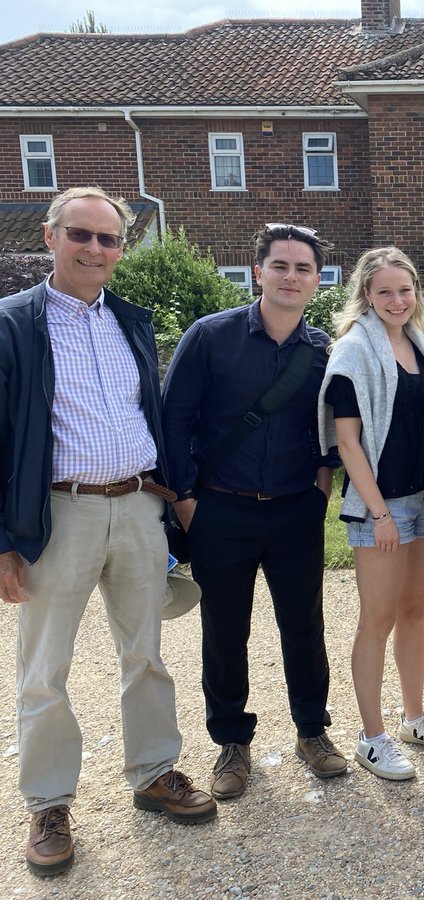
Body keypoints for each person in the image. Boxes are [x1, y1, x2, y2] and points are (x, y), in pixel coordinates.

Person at [0, 187, 215, 876]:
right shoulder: (13, 325)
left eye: (108, 239)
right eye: (81, 235)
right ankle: (49, 803)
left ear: (122, 248)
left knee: (146, 654)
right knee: (45, 668)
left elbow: (149, 415)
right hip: (58, 513)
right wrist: (4, 540)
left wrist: (175, 499)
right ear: (50, 237)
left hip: (139, 506)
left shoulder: (130, 320)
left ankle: (154, 773)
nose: (95, 249)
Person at [163, 223, 347, 800]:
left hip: (295, 508)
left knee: (304, 624)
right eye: (281, 266)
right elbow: (173, 420)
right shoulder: (210, 336)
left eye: (303, 269)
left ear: (317, 281)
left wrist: (322, 483)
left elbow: (333, 426)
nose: (291, 277)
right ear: (258, 271)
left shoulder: (323, 351)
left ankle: (312, 731)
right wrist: (185, 499)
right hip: (220, 509)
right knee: (225, 630)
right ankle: (232, 742)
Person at [318, 247, 424, 782]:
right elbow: (348, 444)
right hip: (381, 507)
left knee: (414, 613)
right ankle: (370, 735)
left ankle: (413, 717)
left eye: (406, 290)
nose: (397, 300)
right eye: (385, 291)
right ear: (366, 295)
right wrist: (378, 513)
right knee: (376, 619)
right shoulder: (353, 353)